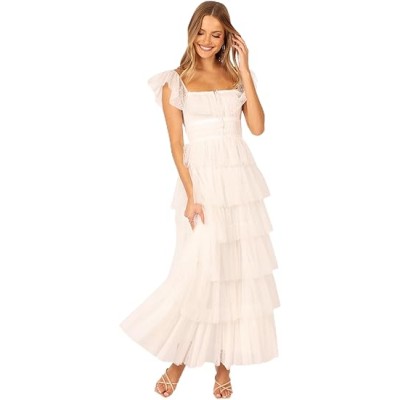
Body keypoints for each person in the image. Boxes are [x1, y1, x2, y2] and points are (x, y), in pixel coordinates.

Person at [120, 1, 280, 398]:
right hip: (202, 185)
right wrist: (192, 195)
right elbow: (177, 145)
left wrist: (246, 69)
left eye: (216, 34)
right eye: (202, 32)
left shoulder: (237, 76)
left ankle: (223, 367)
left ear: (227, 38)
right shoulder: (174, 81)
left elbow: (257, 127)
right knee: (200, 272)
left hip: (240, 183)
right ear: (191, 33)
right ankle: (178, 361)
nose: (207, 41)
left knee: (235, 272)